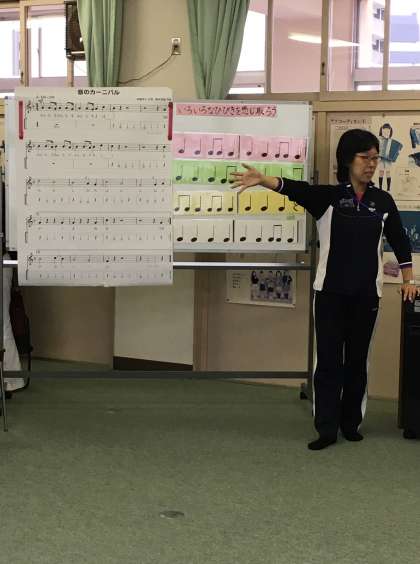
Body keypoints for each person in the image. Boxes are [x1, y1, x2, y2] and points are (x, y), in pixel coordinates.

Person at [231, 129, 417, 451]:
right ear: (347, 160)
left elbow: (400, 241)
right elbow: (295, 189)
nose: (371, 164)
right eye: (365, 157)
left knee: (358, 362)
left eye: (375, 158)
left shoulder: (382, 201)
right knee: (328, 362)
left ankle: (351, 423)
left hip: (366, 296)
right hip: (330, 294)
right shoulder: (329, 198)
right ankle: (327, 428)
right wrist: (263, 180)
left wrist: (409, 280)